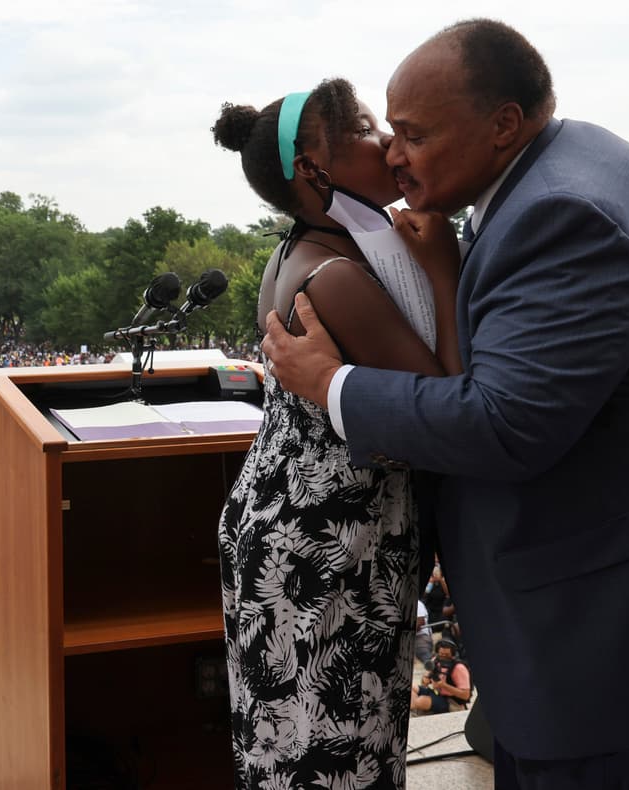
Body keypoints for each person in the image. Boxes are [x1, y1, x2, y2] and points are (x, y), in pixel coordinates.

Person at [260, 19, 629, 789]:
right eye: (384, 131)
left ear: (502, 125)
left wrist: (329, 384)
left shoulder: (565, 214)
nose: (393, 153)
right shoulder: (558, 168)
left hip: (599, 646)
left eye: (412, 134)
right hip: (582, 624)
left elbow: (505, 424)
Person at [211, 74, 464, 788]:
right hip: (327, 553)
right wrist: (443, 271)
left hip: (299, 529)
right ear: (309, 170)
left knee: (300, 748)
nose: (384, 141)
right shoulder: (336, 276)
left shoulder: (306, 250)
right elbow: (445, 407)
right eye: (360, 129)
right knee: (337, 754)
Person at [411, 639, 472, 715]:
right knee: (412, 688)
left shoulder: (459, 668)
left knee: (421, 701)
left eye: (446, 655)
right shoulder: (436, 661)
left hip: (452, 701)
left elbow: (466, 695)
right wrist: (425, 679)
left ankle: (416, 708)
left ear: (453, 655)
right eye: (441, 654)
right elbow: (425, 680)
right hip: (438, 694)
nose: (443, 657)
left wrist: (444, 685)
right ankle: (415, 709)